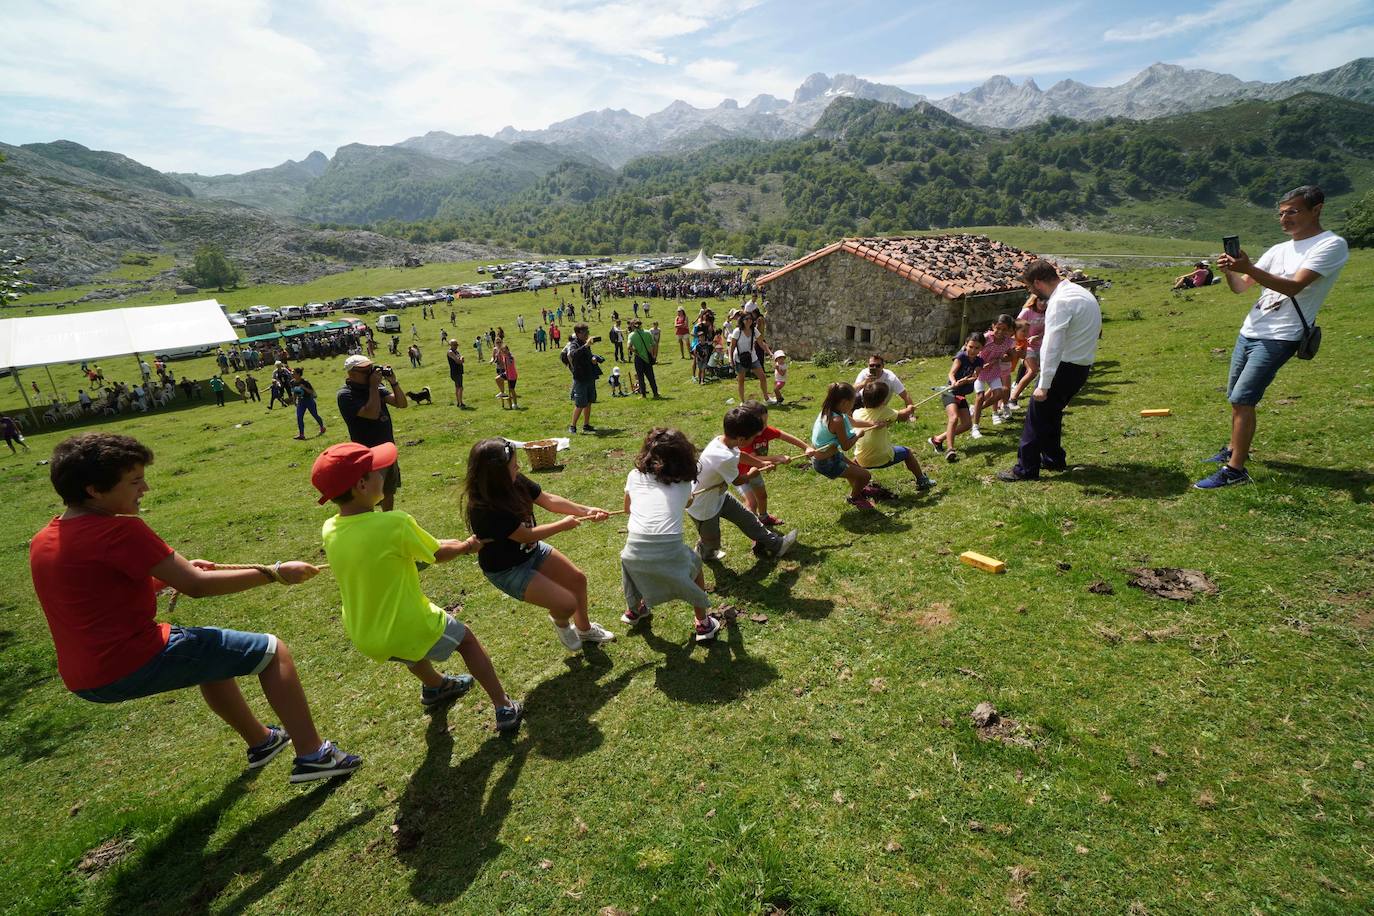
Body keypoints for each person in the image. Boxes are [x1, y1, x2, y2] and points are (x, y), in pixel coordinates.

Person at [29, 433, 361, 784]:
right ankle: (314, 755)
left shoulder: (45, 538)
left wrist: (168, 576)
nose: (146, 488)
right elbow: (198, 586)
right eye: (135, 481)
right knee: (271, 651)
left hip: (84, 677)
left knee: (211, 654)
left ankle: (262, 741)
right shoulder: (120, 530)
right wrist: (274, 574)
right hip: (130, 660)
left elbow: (98, 589)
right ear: (95, 489)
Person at [313, 442, 522, 731]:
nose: (383, 476)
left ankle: (436, 686)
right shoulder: (395, 524)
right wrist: (465, 547)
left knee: (410, 649)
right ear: (362, 484)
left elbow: (427, 545)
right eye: (377, 472)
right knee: (467, 641)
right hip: (406, 623)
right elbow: (437, 554)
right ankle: (503, 706)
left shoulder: (330, 529)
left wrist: (462, 544)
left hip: (366, 632)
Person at [1197, 185, 1348, 489]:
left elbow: (1294, 287)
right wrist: (1230, 270)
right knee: (1236, 398)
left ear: (1316, 209)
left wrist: (1249, 266)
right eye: (1281, 213)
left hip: (1281, 336)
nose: (1284, 219)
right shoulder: (1279, 249)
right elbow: (1242, 287)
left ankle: (1235, 470)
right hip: (1249, 331)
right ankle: (1233, 448)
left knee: (1243, 398)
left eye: (1292, 211)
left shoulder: (1331, 244)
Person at [463, 438, 616, 652]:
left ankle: (585, 629)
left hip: (531, 551)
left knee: (577, 580)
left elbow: (548, 500)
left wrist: (585, 510)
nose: (518, 466)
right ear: (496, 473)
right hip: (507, 569)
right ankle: (562, 622)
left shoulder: (514, 481)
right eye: (513, 464)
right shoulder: (484, 508)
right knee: (566, 604)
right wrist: (562, 526)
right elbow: (524, 535)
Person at [997, 259, 1101, 482]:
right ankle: (1053, 459)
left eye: (1029, 287)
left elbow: (1052, 344)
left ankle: (1025, 469)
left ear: (1037, 282)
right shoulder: (1079, 292)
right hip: (1081, 365)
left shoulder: (1060, 302)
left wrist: (1043, 385)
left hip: (1064, 366)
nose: (1030, 292)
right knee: (1051, 413)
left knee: (1035, 417)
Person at [619, 428, 721, 641]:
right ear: (684, 457)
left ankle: (635, 610)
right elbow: (688, 503)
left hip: (633, 550)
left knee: (635, 567)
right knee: (696, 567)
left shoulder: (634, 475)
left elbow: (628, 508)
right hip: (669, 548)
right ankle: (703, 623)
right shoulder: (684, 483)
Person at [688, 406, 798, 560]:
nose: (754, 440)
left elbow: (741, 455)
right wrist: (753, 472)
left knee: (748, 519)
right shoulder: (724, 456)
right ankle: (705, 551)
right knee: (711, 541)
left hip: (719, 496)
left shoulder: (723, 441)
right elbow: (738, 480)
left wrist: (761, 464)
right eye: (753, 437)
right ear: (741, 439)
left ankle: (778, 545)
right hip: (703, 506)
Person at [337, 355, 408, 511]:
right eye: (366, 371)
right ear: (352, 374)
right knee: (369, 495)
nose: (371, 373)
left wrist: (393, 382)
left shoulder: (375, 387)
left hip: (387, 449)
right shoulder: (346, 395)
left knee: (388, 491)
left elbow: (401, 403)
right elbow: (372, 413)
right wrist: (373, 387)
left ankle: (387, 521)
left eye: (371, 369)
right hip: (367, 454)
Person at [735, 400, 814, 527]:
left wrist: (806, 447)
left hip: (755, 472)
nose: (765, 426)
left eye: (766, 421)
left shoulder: (765, 431)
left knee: (762, 496)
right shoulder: (745, 438)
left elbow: (785, 436)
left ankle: (764, 518)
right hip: (741, 475)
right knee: (751, 504)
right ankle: (755, 533)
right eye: (762, 423)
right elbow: (753, 458)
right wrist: (777, 458)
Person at [811, 381, 884, 510]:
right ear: (844, 402)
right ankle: (854, 498)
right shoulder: (836, 420)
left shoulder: (830, 409)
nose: (853, 405)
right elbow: (845, 446)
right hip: (825, 462)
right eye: (852, 402)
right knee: (866, 476)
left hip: (830, 455)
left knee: (856, 470)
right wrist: (858, 436)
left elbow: (854, 422)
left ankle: (859, 490)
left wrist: (873, 424)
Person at [855, 380, 934, 491]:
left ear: (863, 398)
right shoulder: (885, 411)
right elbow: (903, 416)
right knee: (907, 452)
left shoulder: (856, 413)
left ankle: (859, 487)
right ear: (883, 401)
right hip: (882, 458)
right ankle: (922, 480)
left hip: (861, 460)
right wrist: (909, 409)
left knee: (853, 461)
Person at [930, 334, 984, 463]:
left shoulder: (979, 361)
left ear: (981, 348)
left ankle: (937, 439)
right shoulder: (961, 356)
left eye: (977, 348)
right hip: (950, 392)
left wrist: (967, 380)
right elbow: (951, 373)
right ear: (966, 345)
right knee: (953, 418)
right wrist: (954, 382)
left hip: (961, 394)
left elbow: (975, 376)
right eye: (970, 347)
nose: (973, 350)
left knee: (967, 424)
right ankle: (950, 449)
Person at [970, 315, 1016, 438]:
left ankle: (976, 410)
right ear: (993, 326)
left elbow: (1011, 355)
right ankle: (975, 426)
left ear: (1008, 330)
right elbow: (970, 350)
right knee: (979, 397)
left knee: (999, 394)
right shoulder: (986, 338)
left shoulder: (1008, 341)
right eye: (998, 328)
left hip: (994, 372)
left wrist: (1004, 357)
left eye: (1004, 329)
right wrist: (978, 364)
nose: (1000, 332)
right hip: (980, 371)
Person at [563, 324, 603, 434]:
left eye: (587, 332)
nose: (587, 334)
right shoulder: (574, 344)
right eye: (584, 332)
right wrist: (586, 345)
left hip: (589, 376)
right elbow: (573, 355)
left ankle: (586, 425)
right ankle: (573, 426)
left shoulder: (586, 344)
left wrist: (593, 358)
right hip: (580, 378)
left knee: (589, 401)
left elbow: (587, 356)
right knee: (580, 404)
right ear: (577, 334)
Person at [1008, 294, 1047, 409]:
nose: (1043, 304)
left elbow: (1048, 329)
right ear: (1035, 300)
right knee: (1033, 370)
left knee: (1034, 371)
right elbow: (1017, 327)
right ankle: (1012, 398)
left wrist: (1038, 337)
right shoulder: (1027, 312)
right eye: (1041, 300)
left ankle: (1015, 391)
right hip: (1026, 345)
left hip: (1041, 346)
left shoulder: (1048, 312)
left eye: (1046, 301)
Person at [728, 312, 771, 404]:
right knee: (741, 380)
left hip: (752, 358)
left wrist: (770, 353)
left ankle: (767, 398)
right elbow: (731, 347)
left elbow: (761, 343)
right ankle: (743, 402)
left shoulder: (754, 330)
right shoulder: (737, 331)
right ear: (742, 321)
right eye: (747, 319)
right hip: (740, 359)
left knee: (762, 377)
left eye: (750, 319)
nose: (749, 321)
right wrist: (731, 361)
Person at [628, 318, 660, 398]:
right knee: (651, 377)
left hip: (638, 358)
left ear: (633, 326)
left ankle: (643, 395)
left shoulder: (631, 335)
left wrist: (635, 351)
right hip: (648, 357)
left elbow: (628, 346)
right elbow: (654, 344)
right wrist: (654, 355)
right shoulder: (647, 332)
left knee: (640, 377)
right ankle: (655, 393)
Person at [291, 367, 326, 440]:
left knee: (315, 415)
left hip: (309, 400)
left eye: (293, 373)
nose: (292, 374)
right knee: (299, 417)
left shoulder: (305, 382)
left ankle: (322, 427)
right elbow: (294, 392)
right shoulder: (292, 382)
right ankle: (301, 435)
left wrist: (304, 388)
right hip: (301, 402)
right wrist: (294, 400)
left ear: (298, 374)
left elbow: (311, 392)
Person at [498, 343, 520, 409]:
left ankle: (515, 404)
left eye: (505, 351)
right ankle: (502, 392)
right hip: (507, 373)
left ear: (508, 350)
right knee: (497, 379)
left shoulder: (510, 357)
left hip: (512, 376)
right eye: (503, 351)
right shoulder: (504, 356)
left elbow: (510, 363)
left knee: (512, 390)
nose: (504, 352)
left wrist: (506, 356)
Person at [447, 339, 467, 409]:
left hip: (458, 371)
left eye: (457, 345)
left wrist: (461, 359)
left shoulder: (456, 351)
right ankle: (461, 403)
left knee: (457, 387)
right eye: (454, 345)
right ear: (450, 345)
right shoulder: (450, 352)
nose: (456, 346)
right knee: (460, 388)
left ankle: (459, 402)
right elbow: (458, 361)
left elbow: (460, 359)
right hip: (455, 372)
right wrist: (461, 360)